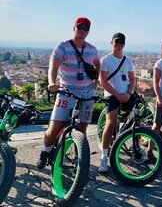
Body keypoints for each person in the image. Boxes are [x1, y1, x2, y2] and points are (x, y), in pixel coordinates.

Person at [36, 17, 100, 169]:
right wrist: (52, 82)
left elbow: (98, 63)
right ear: (74, 28)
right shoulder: (63, 47)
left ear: (88, 32)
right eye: (80, 27)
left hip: (86, 94)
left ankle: (79, 154)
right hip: (66, 92)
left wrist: (96, 79)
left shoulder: (92, 49)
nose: (82, 30)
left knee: (83, 128)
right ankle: (45, 152)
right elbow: (53, 65)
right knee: (53, 129)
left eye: (85, 28)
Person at [98, 33, 136, 173]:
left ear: (124, 44)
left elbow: (132, 80)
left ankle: (136, 146)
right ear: (112, 42)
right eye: (117, 41)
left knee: (137, 120)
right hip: (112, 96)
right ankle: (103, 157)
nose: (119, 44)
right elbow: (103, 81)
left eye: (122, 42)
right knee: (110, 123)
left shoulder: (128, 61)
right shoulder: (106, 60)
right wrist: (117, 94)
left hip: (126, 94)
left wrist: (129, 93)